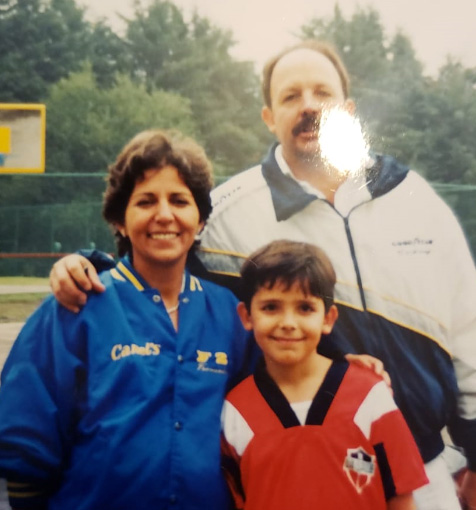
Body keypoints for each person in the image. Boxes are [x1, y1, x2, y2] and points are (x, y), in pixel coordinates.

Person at [47, 39, 476, 510]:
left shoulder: (415, 200)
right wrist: (93, 263)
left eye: (322, 93)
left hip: (425, 470)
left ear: (349, 111)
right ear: (270, 117)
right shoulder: (230, 210)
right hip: (300, 473)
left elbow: (467, 327)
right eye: (291, 96)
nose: (309, 106)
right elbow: (158, 253)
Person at [0, 130, 251, 510]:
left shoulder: (230, 314)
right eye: (145, 201)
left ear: (201, 220)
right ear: (120, 221)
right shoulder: (76, 306)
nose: (164, 214)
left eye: (179, 200)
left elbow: (277, 398)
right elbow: (28, 436)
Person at [221, 239, 428, 510]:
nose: (288, 323)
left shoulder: (370, 397)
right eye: (271, 307)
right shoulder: (235, 411)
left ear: (328, 319)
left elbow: (401, 497)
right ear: (246, 316)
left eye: (305, 308)